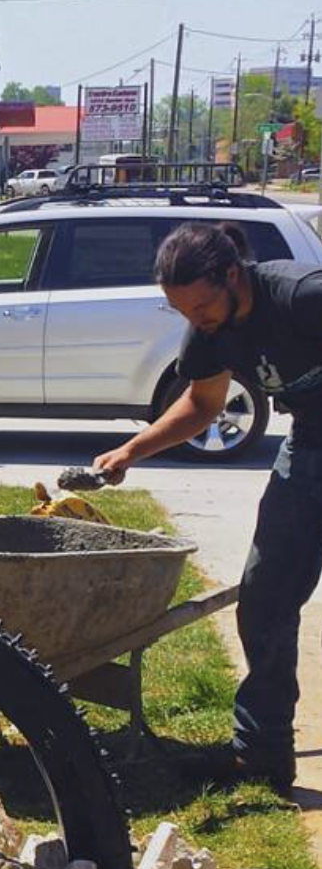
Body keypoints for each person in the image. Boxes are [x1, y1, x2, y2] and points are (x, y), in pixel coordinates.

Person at [94, 220, 322, 794]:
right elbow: (201, 404)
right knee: (264, 597)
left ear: (231, 274)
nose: (194, 319)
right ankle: (262, 756)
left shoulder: (302, 295)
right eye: (182, 311)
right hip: (310, 447)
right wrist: (130, 450)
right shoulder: (210, 329)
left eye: (200, 305)